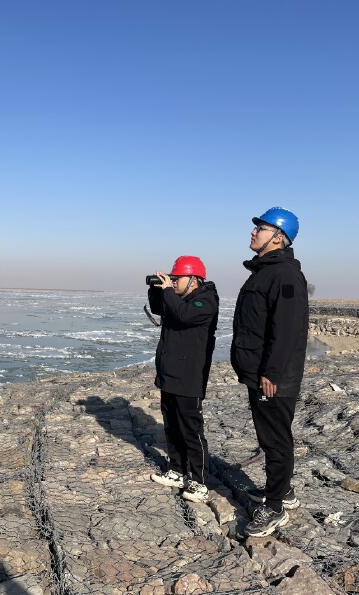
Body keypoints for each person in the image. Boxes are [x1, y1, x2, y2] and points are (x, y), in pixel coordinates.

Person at [231, 207, 309, 537]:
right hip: (261, 372)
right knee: (270, 436)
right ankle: (283, 490)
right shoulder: (265, 271)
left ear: (278, 237)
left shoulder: (285, 275)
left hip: (274, 377)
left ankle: (275, 506)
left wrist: (272, 373)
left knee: (275, 440)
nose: (253, 232)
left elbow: (287, 329)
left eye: (260, 228)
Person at [148, 256, 219, 503]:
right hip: (169, 374)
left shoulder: (205, 301)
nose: (174, 281)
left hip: (190, 377)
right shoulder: (178, 299)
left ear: (193, 280)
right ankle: (177, 470)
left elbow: (183, 315)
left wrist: (169, 291)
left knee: (191, 430)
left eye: (178, 278)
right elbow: (159, 309)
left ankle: (200, 482)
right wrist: (156, 289)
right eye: (173, 278)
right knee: (172, 426)